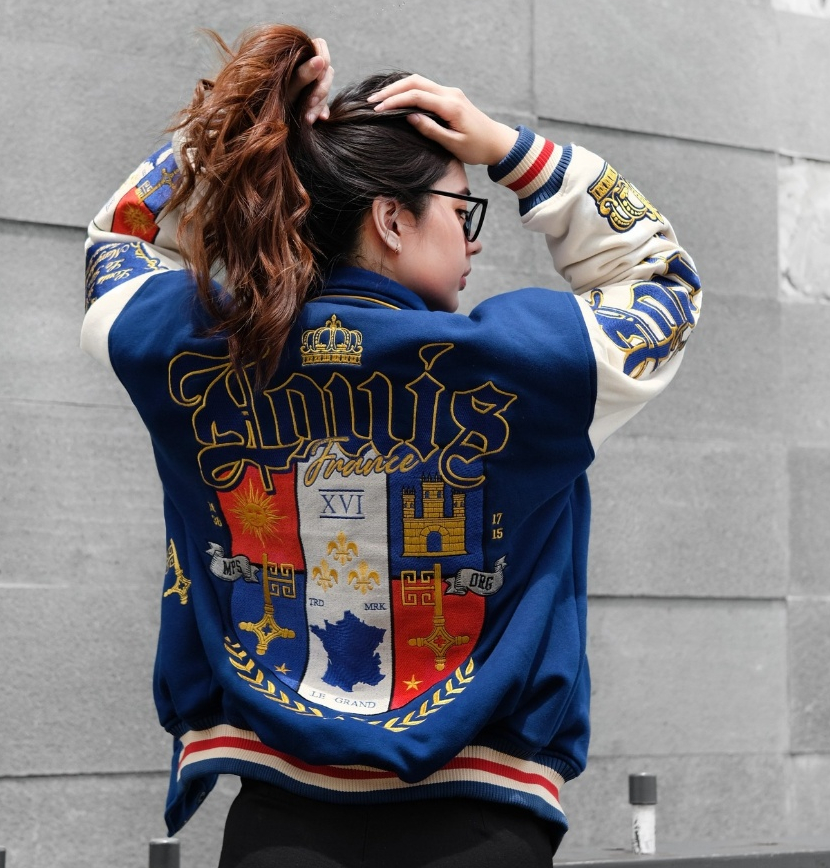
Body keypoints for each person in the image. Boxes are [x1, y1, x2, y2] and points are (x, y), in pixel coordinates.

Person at [82, 23, 701, 868]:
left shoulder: (201, 350)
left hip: (276, 823)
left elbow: (117, 240)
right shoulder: (525, 363)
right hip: (482, 822)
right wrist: (516, 152)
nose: (473, 238)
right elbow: (662, 276)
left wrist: (231, 133)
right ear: (392, 220)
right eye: (460, 208)